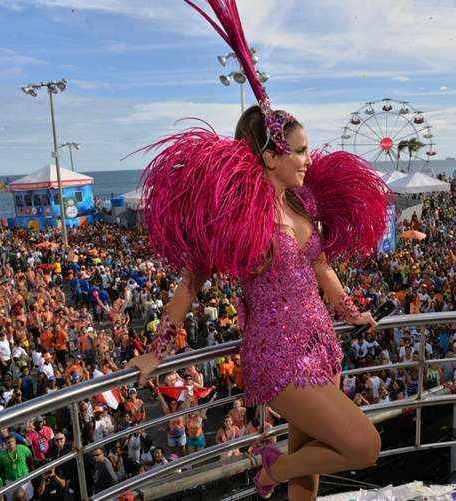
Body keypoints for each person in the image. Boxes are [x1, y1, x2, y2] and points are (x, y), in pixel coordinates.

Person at [129, 2, 386, 498]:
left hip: (321, 345)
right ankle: (271, 470)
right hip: (278, 357)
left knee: (308, 476)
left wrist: (351, 312)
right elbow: (188, 288)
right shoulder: (234, 218)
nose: (311, 159)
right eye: (302, 149)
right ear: (271, 156)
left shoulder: (304, 201)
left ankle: (285, 471)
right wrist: (153, 353)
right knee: (364, 446)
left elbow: (324, 269)